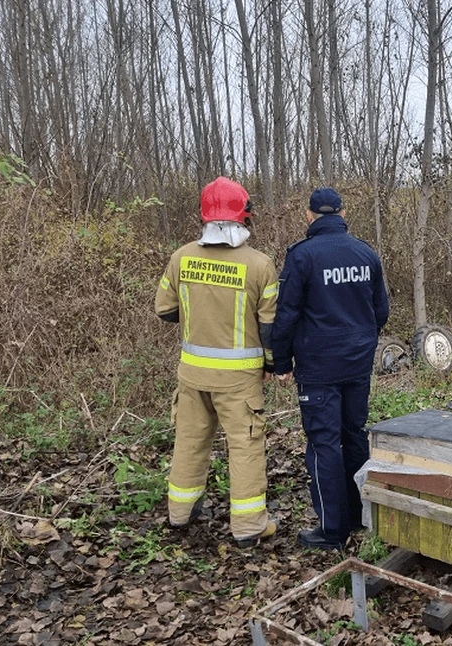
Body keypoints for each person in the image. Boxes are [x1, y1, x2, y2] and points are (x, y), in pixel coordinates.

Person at [154, 177, 279, 548]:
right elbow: (270, 327)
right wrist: (270, 365)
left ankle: (180, 513)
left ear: (203, 215)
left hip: (191, 373)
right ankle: (248, 526)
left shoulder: (181, 257)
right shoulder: (260, 265)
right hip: (239, 380)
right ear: (245, 216)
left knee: (190, 441)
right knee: (245, 445)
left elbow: (165, 310)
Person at [272, 187, 389, 551]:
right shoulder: (365, 253)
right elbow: (380, 311)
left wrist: (281, 361)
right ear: (341, 213)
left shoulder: (302, 256)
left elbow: (286, 315)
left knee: (324, 444)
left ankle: (332, 531)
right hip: (357, 363)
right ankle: (358, 516)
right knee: (354, 435)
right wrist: (361, 342)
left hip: (319, 367)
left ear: (310, 216)